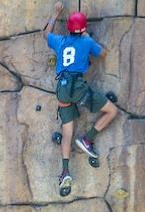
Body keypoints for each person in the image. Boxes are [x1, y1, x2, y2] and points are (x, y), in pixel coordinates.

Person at [43, 1, 119, 196]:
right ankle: (88, 140)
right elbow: (103, 54)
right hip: (79, 89)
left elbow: (45, 34)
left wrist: (55, 13)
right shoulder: (86, 42)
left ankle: (65, 172)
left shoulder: (59, 41)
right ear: (83, 29)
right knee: (112, 111)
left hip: (62, 90)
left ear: (68, 29)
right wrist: (86, 36)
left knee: (67, 132)